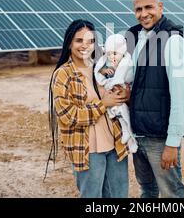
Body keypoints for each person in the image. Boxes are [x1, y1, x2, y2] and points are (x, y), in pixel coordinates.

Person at [46, 19, 130, 198]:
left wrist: (124, 94)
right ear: (69, 43)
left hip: (115, 144)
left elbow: (118, 94)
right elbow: (69, 116)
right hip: (87, 150)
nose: (85, 46)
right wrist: (103, 104)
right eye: (79, 41)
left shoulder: (101, 67)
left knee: (119, 195)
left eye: (90, 41)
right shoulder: (62, 75)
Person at [125, 0, 184, 198]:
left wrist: (173, 142)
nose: (143, 13)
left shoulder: (173, 40)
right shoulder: (134, 37)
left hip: (159, 138)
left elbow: (181, 95)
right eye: (138, 9)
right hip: (137, 135)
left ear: (160, 7)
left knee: (171, 193)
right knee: (147, 190)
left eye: (148, 7)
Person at [94, 33, 138, 153]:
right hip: (113, 91)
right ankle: (126, 131)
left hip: (121, 88)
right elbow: (99, 70)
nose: (111, 57)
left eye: (114, 54)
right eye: (108, 54)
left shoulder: (126, 62)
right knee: (117, 111)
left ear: (122, 51)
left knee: (122, 110)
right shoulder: (109, 61)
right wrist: (103, 71)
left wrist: (114, 83)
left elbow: (125, 78)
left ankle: (129, 134)